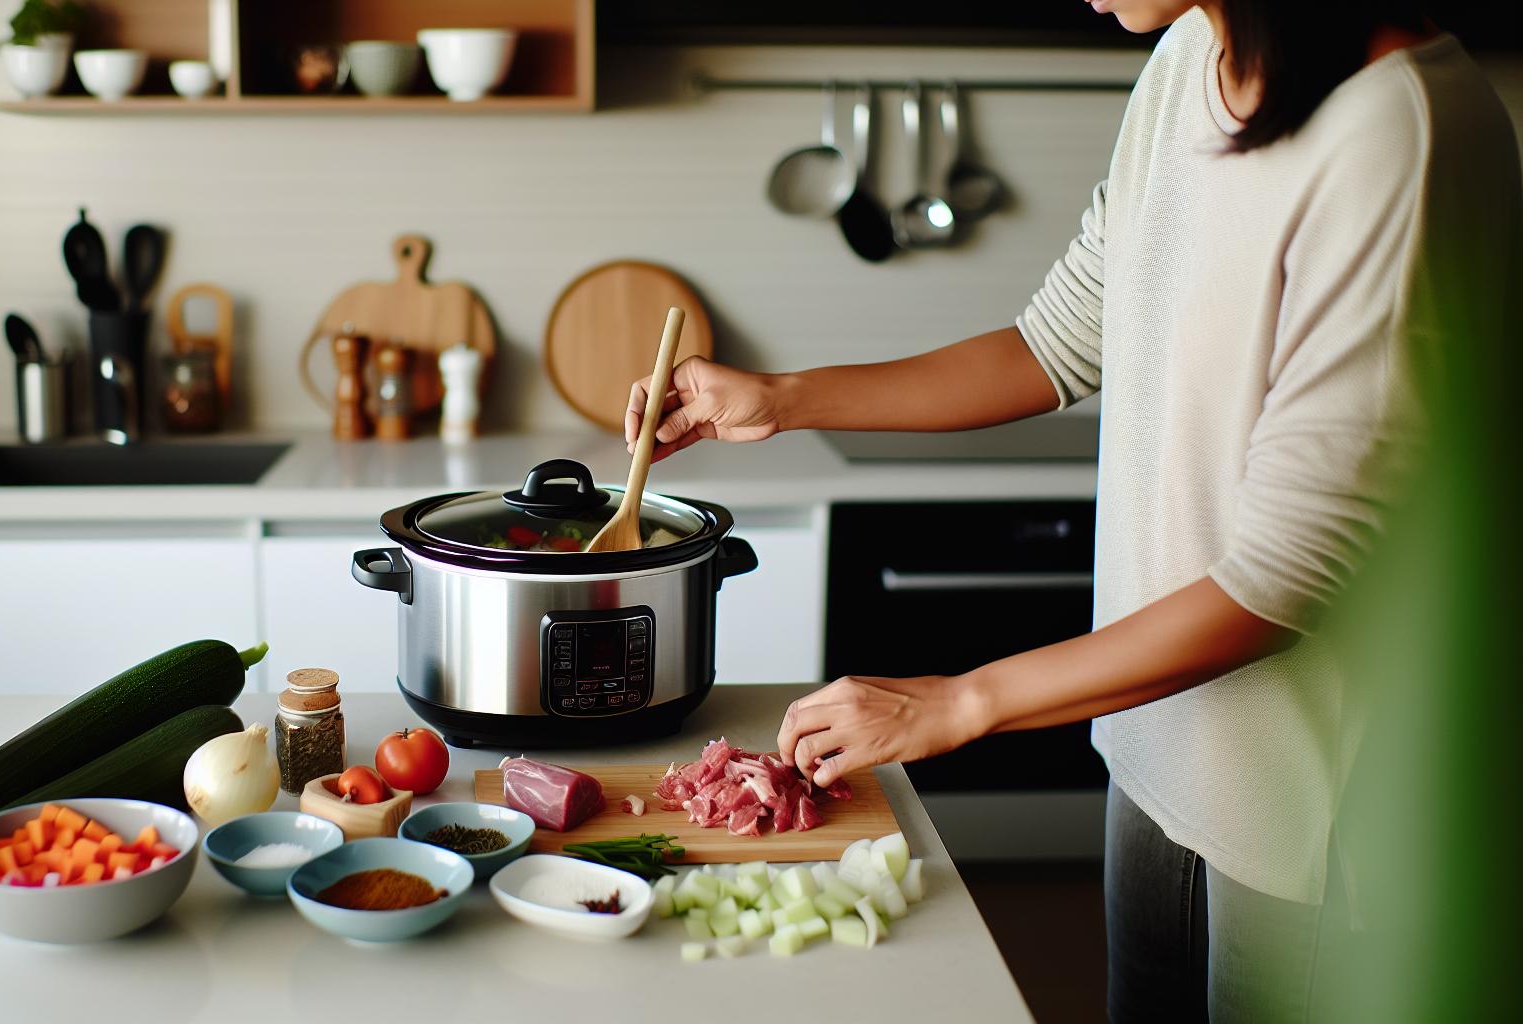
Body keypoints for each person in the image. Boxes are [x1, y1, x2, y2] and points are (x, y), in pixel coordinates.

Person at [623, 1, 1521, 1019]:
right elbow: (1056, 343)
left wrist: (956, 702)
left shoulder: (1398, 131)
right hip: (1158, 738)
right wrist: (780, 400)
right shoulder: (1190, 56)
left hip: (1316, 805)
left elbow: (1288, 578)